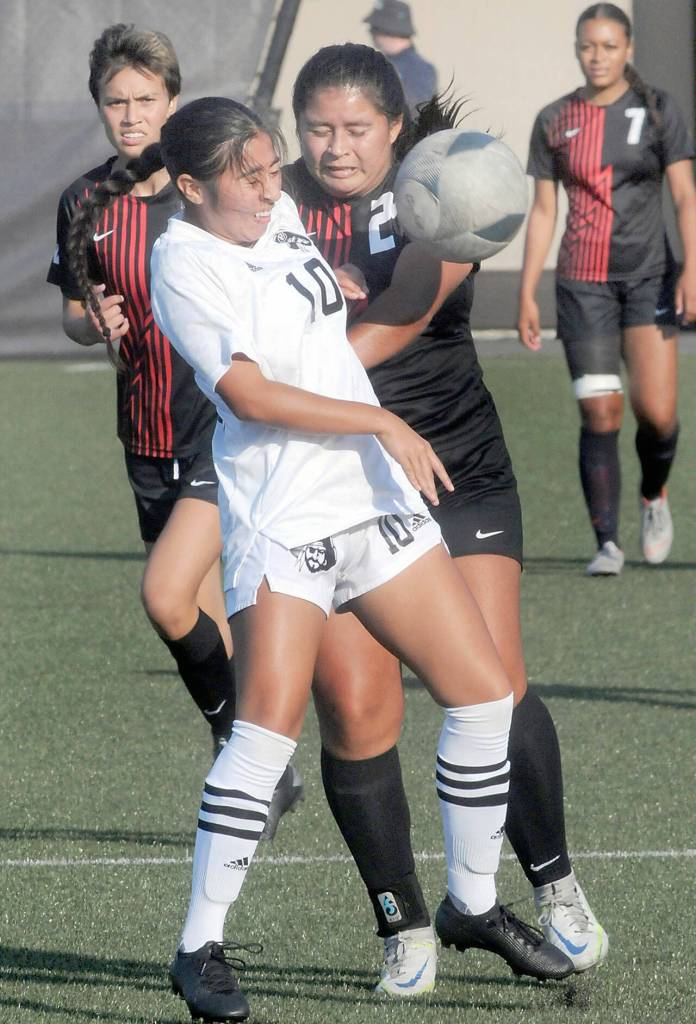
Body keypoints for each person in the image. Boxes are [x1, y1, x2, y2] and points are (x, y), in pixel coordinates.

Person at [135, 94, 572, 1022]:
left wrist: (340, 279)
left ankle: (472, 903)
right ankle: (197, 946)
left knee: (484, 694)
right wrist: (378, 414)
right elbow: (250, 395)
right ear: (189, 187)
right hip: (285, 514)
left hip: (370, 502)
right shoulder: (182, 258)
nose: (269, 185)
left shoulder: (272, 213)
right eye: (246, 176)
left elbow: (301, 290)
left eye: (269, 165)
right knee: (263, 734)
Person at [283, 42, 608, 990]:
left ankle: (553, 881)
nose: (337, 148)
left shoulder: (444, 183)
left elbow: (392, 324)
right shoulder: (269, 210)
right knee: (355, 705)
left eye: (357, 130)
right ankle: (404, 924)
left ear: (394, 128)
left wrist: (301, 328)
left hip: (452, 469)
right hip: (333, 482)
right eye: (317, 130)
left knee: (494, 686)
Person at [48, 23, 302, 835]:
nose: (129, 114)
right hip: (143, 432)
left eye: (145, 99)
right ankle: (261, 757)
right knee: (192, 607)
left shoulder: (207, 189)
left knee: (166, 596)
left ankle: (243, 753)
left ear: (172, 100)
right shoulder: (85, 202)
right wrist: (92, 321)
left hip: (218, 427)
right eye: (115, 101)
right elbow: (71, 314)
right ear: (100, 108)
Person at [517, 3, 696, 576]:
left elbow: (686, 195)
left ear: (628, 50)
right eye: (588, 46)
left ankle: (653, 496)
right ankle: (607, 544)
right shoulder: (554, 118)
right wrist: (527, 291)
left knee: (658, 414)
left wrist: (692, 266)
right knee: (599, 410)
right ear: (577, 49)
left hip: (649, 280)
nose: (598, 56)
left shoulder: (658, 108)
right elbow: (544, 211)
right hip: (582, 285)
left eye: (609, 46)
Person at [363, 0, 437, 115]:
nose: (371, 34)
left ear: (388, 30)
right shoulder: (379, 62)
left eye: (373, 29)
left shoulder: (419, 69)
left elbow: (416, 110)